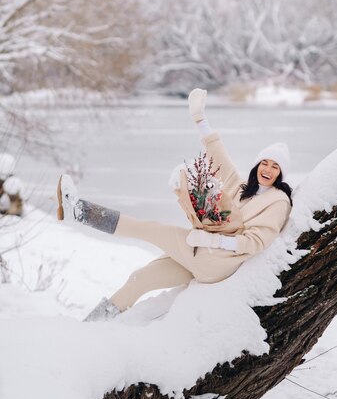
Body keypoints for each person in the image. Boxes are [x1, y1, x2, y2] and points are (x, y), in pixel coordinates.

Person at [57, 89, 292, 321]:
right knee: (141, 278)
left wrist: (214, 240)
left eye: (275, 166)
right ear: (257, 165)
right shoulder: (241, 188)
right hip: (201, 257)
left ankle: (79, 211)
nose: (268, 170)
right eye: (265, 163)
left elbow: (257, 242)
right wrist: (200, 119)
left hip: (218, 263)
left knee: (150, 229)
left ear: (281, 173)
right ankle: (92, 326)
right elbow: (219, 155)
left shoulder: (277, 201)